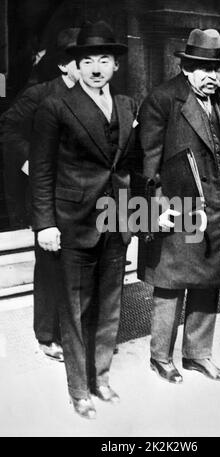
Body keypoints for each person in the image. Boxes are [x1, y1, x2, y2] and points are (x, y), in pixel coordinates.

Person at [30, 20, 138, 419]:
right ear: (75, 65)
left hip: (116, 219)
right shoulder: (55, 106)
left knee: (110, 305)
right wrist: (45, 224)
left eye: (104, 59)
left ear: (115, 66)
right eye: (87, 59)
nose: (95, 67)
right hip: (72, 222)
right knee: (74, 309)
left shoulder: (128, 106)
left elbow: (133, 166)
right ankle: (79, 389)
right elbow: (41, 170)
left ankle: (101, 378)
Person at [138, 29, 220, 384]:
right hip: (178, 206)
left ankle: (198, 355)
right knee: (171, 282)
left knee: (208, 281)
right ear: (186, 67)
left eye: (216, 69)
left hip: (216, 206)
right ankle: (160, 357)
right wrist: (155, 209)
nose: (211, 76)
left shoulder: (219, 98)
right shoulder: (163, 99)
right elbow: (147, 161)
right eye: (203, 68)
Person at [0, 28, 80, 362]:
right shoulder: (41, 94)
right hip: (50, 194)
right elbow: (6, 127)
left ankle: (76, 331)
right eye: (83, 59)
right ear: (64, 65)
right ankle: (47, 335)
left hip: (84, 195)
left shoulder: (101, 97)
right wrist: (29, 162)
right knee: (50, 265)